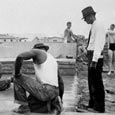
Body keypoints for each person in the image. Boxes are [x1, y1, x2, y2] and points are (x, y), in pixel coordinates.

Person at [12, 43, 64, 114]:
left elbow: (20, 56)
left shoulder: (38, 52)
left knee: (17, 78)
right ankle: (54, 105)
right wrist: (60, 98)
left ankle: (24, 108)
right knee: (32, 102)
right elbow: (60, 82)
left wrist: (17, 73)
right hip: (54, 92)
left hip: (45, 91)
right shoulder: (53, 60)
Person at [80, 6, 106, 113]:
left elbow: (99, 44)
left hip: (96, 58)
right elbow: (92, 43)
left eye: (85, 18)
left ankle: (99, 107)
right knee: (91, 82)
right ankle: (92, 104)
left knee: (96, 83)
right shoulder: (93, 26)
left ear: (90, 16)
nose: (85, 20)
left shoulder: (98, 26)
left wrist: (94, 60)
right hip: (92, 56)